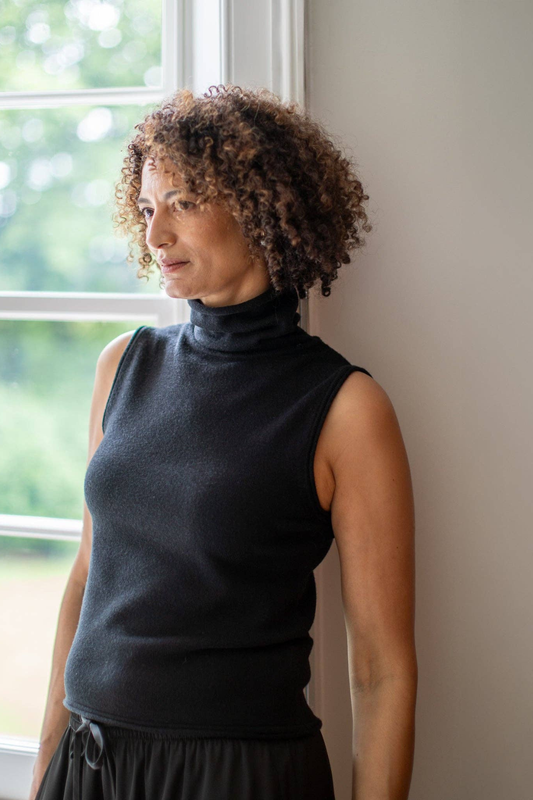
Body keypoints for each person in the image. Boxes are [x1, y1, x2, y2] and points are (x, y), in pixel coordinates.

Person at [29, 84, 417, 800]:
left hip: (237, 776)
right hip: (87, 766)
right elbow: (87, 580)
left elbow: (380, 668)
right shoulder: (123, 365)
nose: (154, 237)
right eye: (147, 209)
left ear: (260, 206)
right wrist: (46, 763)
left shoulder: (344, 408)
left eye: (182, 203)